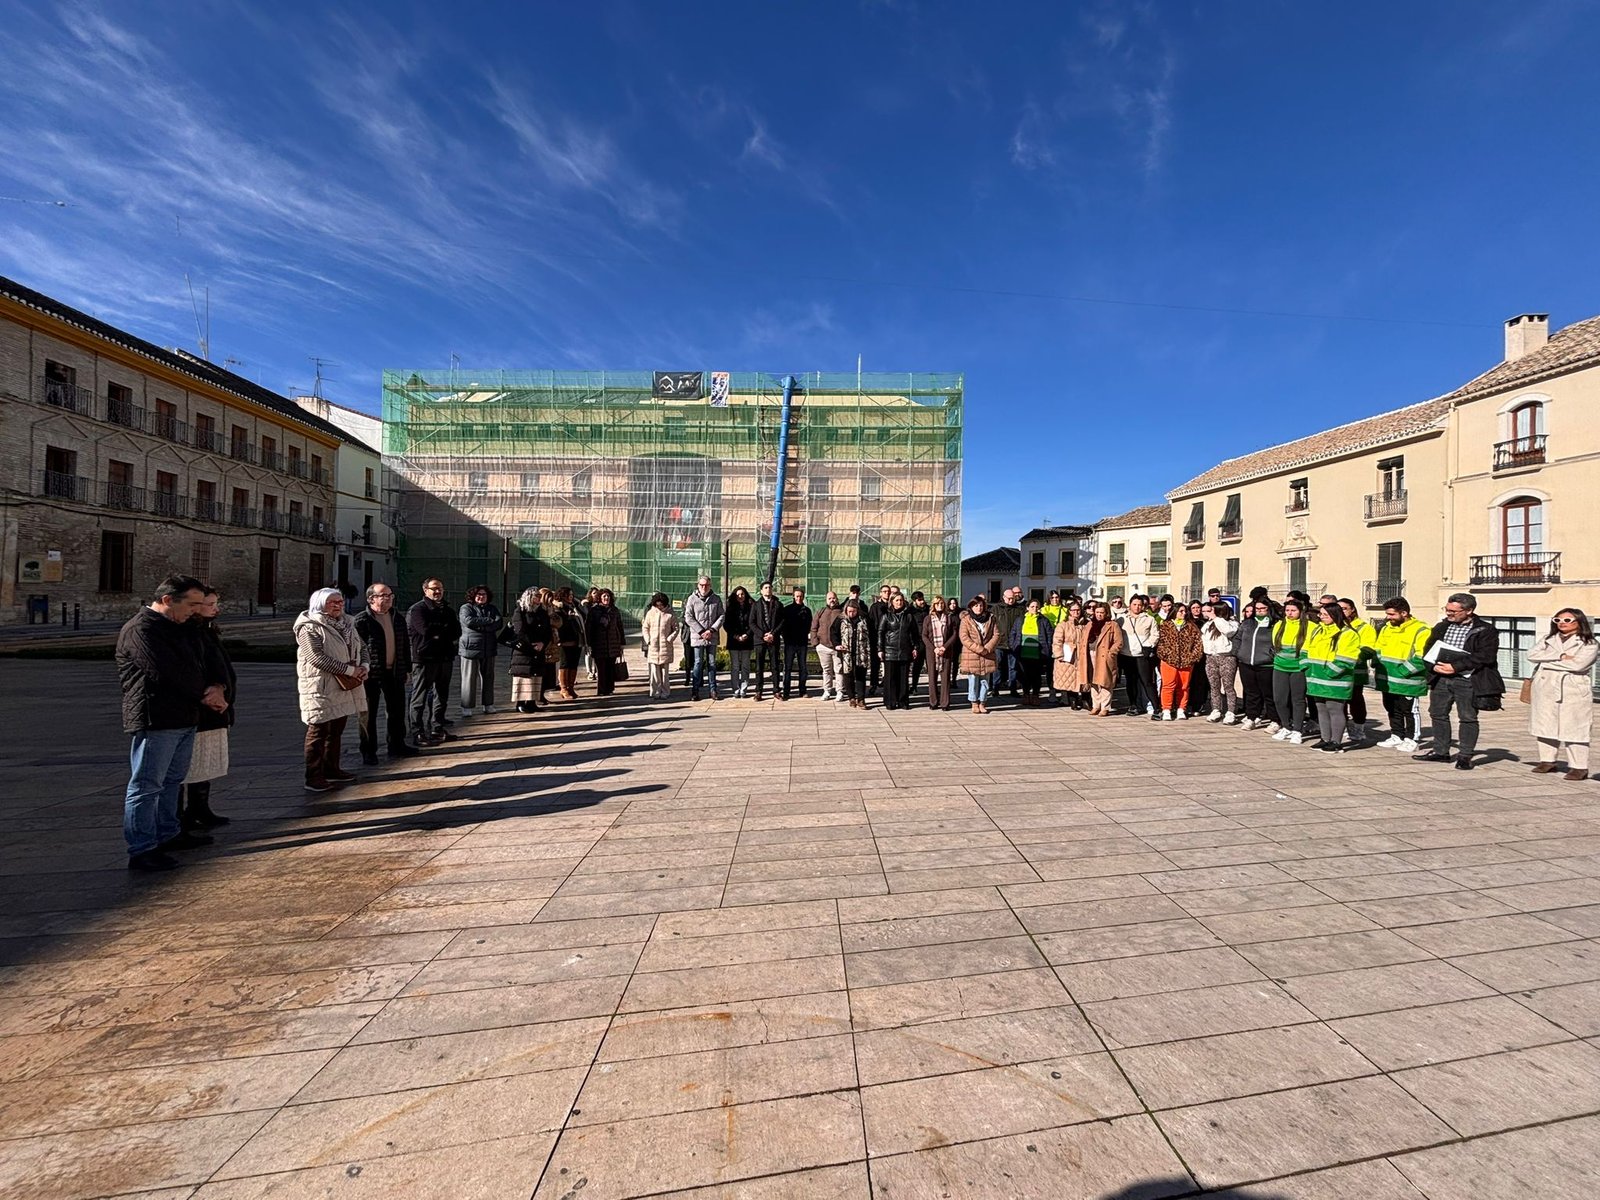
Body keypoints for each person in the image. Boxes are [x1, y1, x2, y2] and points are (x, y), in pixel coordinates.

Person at [116, 575, 228, 871]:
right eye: (192, 604)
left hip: (185, 716)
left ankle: (169, 832)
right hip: (157, 717)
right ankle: (141, 847)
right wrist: (207, 696)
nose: (196, 609)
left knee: (172, 781)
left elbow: (207, 660)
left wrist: (217, 685)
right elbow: (167, 671)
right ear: (167, 600)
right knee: (146, 785)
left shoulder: (183, 628)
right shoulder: (142, 629)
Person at [1414, 592, 1503, 770]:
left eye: (1453, 611)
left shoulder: (1485, 630)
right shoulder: (1441, 626)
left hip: (1467, 679)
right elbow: (1428, 649)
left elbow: (1486, 656)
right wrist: (1433, 667)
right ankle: (1440, 751)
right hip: (1441, 678)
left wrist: (1456, 666)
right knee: (1437, 714)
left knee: (1467, 717)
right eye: (1447, 610)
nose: (1449, 614)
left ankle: (1465, 755)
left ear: (1469, 610)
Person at [296, 587, 368, 792]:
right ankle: (313, 775)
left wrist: (364, 667)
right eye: (332, 602)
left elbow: (361, 647)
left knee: (336, 728)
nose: (338, 605)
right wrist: (349, 670)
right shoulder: (309, 626)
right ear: (320, 604)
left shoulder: (348, 623)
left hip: (344, 684)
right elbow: (316, 657)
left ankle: (332, 768)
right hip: (320, 685)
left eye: (340, 602)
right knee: (318, 729)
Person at [179, 586, 236, 830]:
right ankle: (183, 816)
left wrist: (223, 686)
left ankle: (200, 807)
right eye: (210, 604)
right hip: (202, 708)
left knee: (207, 761)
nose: (216, 609)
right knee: (192, 763)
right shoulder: (189, 633)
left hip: (217, 708)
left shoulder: (207, 631)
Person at [1528, 608, 1596, 781]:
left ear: (1579, 622)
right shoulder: (1548, 639)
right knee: (1545, 724)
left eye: (1567, 620)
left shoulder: (1589, 643)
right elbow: (1532, 655)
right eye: (1558, 620)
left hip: (1572, 688)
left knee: (1575, 726)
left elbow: (1577, 665)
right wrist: (1560, 656)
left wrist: (1547, 661)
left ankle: (1579, 766)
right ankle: (1547, 760)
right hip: (1545, 686)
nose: (1561, 624)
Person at [354, 583, 416, 762]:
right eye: (383, 595)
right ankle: (368, 750)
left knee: (396, 710)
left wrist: (407, 669)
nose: (388, 598)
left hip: (395, 672)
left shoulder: (397, 617)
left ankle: (397, 744)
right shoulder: (362, 620)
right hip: (371, 675)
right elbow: (356, 649)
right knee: (368, 714)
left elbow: (404, 644)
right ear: (371, 599)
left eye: (390, 595)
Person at [406, 579, 460, 746]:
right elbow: (425, 631)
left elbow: (456, 631)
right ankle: (417, 731)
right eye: (434, 589)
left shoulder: (447, 610)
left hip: (444, 658)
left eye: (441, 589)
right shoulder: (418, 610)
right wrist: (442, 631)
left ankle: (437, 727)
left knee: (441, 696)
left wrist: (439, 632)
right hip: (425, 659)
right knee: (419, 696)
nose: (438, 592)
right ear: (425, 590)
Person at [1373, 597, 1430, 752]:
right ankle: (1396, 735)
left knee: (1409, 710)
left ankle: (1412, 738)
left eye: (1392, 614)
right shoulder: (1386, 628)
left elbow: (1421, 656)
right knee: (1391, 708)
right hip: (1387, 680)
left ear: (1404, 613)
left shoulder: (1421, 630)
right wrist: (1376, 663)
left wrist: (1403, 671)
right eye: (1387, 614)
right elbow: (1378, 648)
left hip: (1408, 681)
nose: (1388, 617)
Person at [1305, 602, 1362, 752]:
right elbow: (1307, 649)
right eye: (1321, 614)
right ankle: (1325, 738)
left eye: (1325, 615)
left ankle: (1336, 741)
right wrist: (1306, 667)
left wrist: (1330, 672)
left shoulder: (1348, 633)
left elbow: (1347, 658)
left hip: (1336, 679)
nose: (1322, 617)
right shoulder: (1318, 630)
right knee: (1321, 709)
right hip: (1316, 677)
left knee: (1335, 709)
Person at [1269, 598, 1312, 744]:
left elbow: (1309, 647)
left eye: (1293, 610)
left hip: (1298, 668)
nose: (1289, 613)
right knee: (1279, 699)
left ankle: (1297, 730)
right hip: (1280, 667)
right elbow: (1275, 644)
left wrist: (1303, 663)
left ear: (1301, 611)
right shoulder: (1279, 625)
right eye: (1287, 610)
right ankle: (1286, 726)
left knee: (1298, 700)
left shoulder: (1310, 626)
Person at [1232, 598, 1279, 730]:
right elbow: (1238, 638)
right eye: (1257, 609)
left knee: (1268, 694)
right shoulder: (1248, 623)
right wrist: (1238, 653)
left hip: (1266, 665)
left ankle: (1275, 720)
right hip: (1246, 663)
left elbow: (1278, 643)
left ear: (1268, 609)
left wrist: (1271, 655)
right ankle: (1252, 717)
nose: (1259, 611)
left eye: (1262, 609)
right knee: (1251, 693)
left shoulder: (1274, 624)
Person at [1337, 597, 1378, 745]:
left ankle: (1359, 727)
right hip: (1337, 671)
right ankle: (1342, 728)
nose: (1341, 611)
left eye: (1344, 608)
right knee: (1339, 702)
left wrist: (1351, 657)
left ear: (1352, 609)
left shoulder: (1364, 627)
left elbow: (1368, 648)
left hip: (1355, 671)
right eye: (1339, 609)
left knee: (1355, 700)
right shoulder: (1336, 626)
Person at [457, 585, 502, 717]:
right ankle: (467, 706)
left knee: (488, 677)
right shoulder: (466, 608)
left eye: (484, 594)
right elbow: (469, 622)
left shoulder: (492, 608)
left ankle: (488, 704)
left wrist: (483, 627)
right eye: (478, 594)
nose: (481, 597)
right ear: (473, 596)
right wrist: (488, 621)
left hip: (489, 648)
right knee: (468, 678)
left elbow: (498, 624)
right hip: (470, 648)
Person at [505, 587, 552, 714]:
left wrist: (543, 643)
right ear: (529, 597)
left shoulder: (542, 612)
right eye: (536, 596)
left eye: (539, 596)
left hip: (539, 649)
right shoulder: (520, 611)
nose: (538, 598)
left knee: (535, 677)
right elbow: (520, 631)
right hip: (524, 651)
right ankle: (520, 703)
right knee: (524, 676)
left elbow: (548, 631)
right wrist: (531, 645)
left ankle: (532, 702)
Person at [1155, 602, 1203, 721]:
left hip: (1186, 661)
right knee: (1168, 685)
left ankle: (1181, 709)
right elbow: (1160, 643)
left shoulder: (1191, 626)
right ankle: (1166, 709)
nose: (1184, 613)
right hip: (1169, 660)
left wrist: (1193, 657)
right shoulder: (1165, 626)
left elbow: (1198, 643)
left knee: (1184, 686)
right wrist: (1165, 655)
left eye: (1184, 611)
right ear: (1174, 612)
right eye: (1181, 611)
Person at [1077, 600, 1125, 716]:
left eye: (1101, 612)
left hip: (1104, 657)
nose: (1099, 614)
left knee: (1105, 682)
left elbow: (1119, 642)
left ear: (1106, 613)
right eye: (1097, 612)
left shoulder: (1112, 625)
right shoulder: (1089, 624)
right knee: (1093, 681)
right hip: (1090, 655)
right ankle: (1095, 705)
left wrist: (1111, 653)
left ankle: (1105, 707)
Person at [958, 595, 1000, 714]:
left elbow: (996, 634)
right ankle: (974, 702)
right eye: (976, 605)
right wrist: (978, 649)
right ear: (971, 606)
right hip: (972, 654)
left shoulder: (991, 618)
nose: (979, 608)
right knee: (973, 680)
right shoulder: (966, 620)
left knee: (985, 680)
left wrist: (987, 648)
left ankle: (983, 702)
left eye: (981, 605)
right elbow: (964, 637)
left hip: (987, 654)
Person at [685, 576, 725, 701]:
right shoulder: (692, 599)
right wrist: (702, 631)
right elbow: (688, 617)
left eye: (706, 585)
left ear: (710, 586)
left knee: (712, 663)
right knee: (697, 663)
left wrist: (711, 630)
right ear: (698, 585)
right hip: (698, 636)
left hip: (711, 636)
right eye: (702, 585)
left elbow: (721, 615)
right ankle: (695, 691)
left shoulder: (716, 599)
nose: (704, 587)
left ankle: (713, 690)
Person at [1008, 597, 1053, 707]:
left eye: (1037, 607)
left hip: (1038, 653)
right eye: (1032, 606)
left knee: (1036, 676)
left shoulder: (1044, 620)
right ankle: (1026, 694)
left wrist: (1047, 649)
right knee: (1024, 675)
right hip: (1023, 652)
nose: (1034, 609)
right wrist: (1013, 646)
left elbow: (1049, 636)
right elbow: (1013, 633)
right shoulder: (1020, 620)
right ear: (1027, 608)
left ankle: (1036, 695)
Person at [1118, 596, 1158, 717]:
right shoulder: (1121, 619)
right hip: (1127, 654)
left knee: (1147, 682)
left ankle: (1157, 708)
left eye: (1139, 605)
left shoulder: (1149, 619)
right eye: (1134, 604)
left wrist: (1149, 645)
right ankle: (1134, 705)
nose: (1137, 607)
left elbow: (1155, 634)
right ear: (1130, 605)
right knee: (1131, 681)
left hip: (1141, 655)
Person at [1201, 601, 1240, 724]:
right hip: (1211, 657)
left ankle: (1231, 711)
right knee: (1214, 686)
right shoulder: (1209, 624)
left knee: (1228, 686)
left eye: (1211, 611)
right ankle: (1216, 709)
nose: (1209, 613)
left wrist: (1216, 619)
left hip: (1226, 658)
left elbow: (1228, 631)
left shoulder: (1231, 623)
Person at [878, 592, 918, 709]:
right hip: (890, 650)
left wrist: (915, 647)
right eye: (896, 600)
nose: (899, 602)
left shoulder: (909, 616)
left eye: (901, 600)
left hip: (905, 650)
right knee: (890, 678)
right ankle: (890, 701)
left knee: (903, 678)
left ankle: (903, 701)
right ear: (892, 602)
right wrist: (880, 649)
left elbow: (914, 633)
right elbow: (880, 632)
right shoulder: (886, 616)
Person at [921, 595, 961, 710]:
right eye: (937, 603)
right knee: (932, 677)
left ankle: (945, 703)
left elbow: (954, 634)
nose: (940, 605)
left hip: (946, 651)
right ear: (934, 605)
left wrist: (945, 647)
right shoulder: (928, 618)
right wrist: (934, 648)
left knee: (945, 677)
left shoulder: (948, 618)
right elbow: (924, 635)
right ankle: (933, 702)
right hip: (932, 651)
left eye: (942, 603)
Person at [836, 597, 874, 709]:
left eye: (853, 611)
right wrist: (837, 644)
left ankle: (861, 699)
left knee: (861, 675)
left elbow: (872, 633)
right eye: (849, 611)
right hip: (846, 652)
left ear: (857, 610)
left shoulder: (864, 619)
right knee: (848, 675)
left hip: (861, 651)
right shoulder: (841, 619)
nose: (851, 614)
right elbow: (833, 632)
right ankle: (851, 697)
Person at [640, 592, 679, 700]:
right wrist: (648, 640)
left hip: (665, 646)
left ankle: (665, 691)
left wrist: (670, 639)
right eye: (657, 605)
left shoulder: (670, 614)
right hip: (653, 646)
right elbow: (645, 627)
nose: (659, 607)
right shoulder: (650, 613)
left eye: (661, 604)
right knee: (654, 671)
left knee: (664, 672)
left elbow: (676, 628)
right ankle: (655, 691)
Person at [587, 588, 625, 696]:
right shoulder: (594, 611)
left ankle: (610, 689)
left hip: (612, 644)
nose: (606, 598)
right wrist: (589, 643)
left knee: (610, 668)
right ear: (600, 598)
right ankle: (601, 690)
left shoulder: (614, 610)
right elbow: (589, 627)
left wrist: (621, 643)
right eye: (604, 596)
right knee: (601, 669)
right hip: (599, 644)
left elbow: (619, 626)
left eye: (608, 596)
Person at [750, 581, 783, 701]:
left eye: (770, 587)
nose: (768, 589)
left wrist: (773, 634)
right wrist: (763, 634)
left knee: (775, 666)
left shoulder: (778, 604)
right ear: (761, 591)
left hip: (773, 639)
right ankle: (758, 691)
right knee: (759, 667)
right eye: (766, 587)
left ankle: (776, 690)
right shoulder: (756, 605)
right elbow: (752, 622)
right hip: (760, 640)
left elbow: (782, 621)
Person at [779, 585, 814, 700]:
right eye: (797, 596)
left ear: (803, 597)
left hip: (802, 643)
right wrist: (786, 637)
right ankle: (786, 691)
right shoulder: (787, 609)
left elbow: (809, 625)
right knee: (787, 667)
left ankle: (802, 690)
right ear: (793, 597)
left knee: (802, 667)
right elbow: (783, 626)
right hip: (790, 643)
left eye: (801, 596)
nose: (799, 598)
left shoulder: (807, 611)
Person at [992, 587, 1026, 698]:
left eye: (1013, 598)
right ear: (1004, 598)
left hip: (1013, 643)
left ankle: (1013, 688)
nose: (1011, 600)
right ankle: (995, 688)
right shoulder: (996, 609)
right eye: (1009, 598)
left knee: (1013, 667)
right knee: (998, 666)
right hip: (999, 642)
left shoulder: (1019, 609)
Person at [1053, 600, 1088, 710]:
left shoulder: (1086, 624)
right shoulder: (1063, 625)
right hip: (1068, 656)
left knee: (1084, 678)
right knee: (1069, 679)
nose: (1076, 612)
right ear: (1069, 611)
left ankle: (1084, 699)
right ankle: (1072, 700)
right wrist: (1059, 654)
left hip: (1082, 656)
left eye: (1078, 610)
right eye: (1073, 610)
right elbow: (1057, 640)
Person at [552, 587, 585, 701]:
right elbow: (559, 623)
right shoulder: (559, 608)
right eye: (568, 595)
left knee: (573, 664)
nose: (571, 597)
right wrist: (569, 617)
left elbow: (583, 616)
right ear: (562, 596)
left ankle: (571, 687)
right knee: (565, 664)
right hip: (565, 640)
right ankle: (564, 688)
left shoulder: (575, 607)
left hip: (577, 640)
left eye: (572, 594)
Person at [812, 590, 844, 701]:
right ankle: (827, 691)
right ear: (826, 600)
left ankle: (839, 691)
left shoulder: (841, 612)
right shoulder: (821, 612)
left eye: (833, 598)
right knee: (826, 670)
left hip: (837, 647)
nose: (832, 600)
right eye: (829, 598)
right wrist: (815, 643)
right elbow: (814, 628)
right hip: (823, 646)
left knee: (839, 670)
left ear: (837, 599)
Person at [724, 586, 754, 698]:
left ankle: (744, 689)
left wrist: (747, 634)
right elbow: (726, 624)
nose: (740, 597)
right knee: (735, 666)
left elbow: (753, 622)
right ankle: (736, 689)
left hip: (747, 640)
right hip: (734, 641)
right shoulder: (730, 608)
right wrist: (735, 636)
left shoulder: (751, 607)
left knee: (745, 666)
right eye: (738, 595)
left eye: (742, 594)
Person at [867, 584, 893, 696]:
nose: (887, 593)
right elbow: (871, 623)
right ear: (881, 593)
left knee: (889, 664)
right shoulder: (875, 607)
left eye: (888, 591)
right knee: (875, 664)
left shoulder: (893, 606)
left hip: (891, 639)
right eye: (884, 591)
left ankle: (888, 685)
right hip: (876, 639)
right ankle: (873, 685)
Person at [907, 591, 930, 698]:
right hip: (917, 641)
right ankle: (914, 685)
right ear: (914, 601)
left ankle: (933, 687)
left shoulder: (929, 609)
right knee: (917, 665)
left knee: (931, 665)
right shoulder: (910, 611)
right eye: (919, 600)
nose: (922, 601)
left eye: (923, 599)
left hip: (929, 641)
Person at [581, 586, 601, 680]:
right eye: (594, 593)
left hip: (598, 632)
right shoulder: (586, 605)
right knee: (588, 652)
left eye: (597, 593)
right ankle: (589, 672)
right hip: (588, 632)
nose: (596, 595)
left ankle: (596, 671)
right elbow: (587, 614)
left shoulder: (600, 605)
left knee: (597, 654)